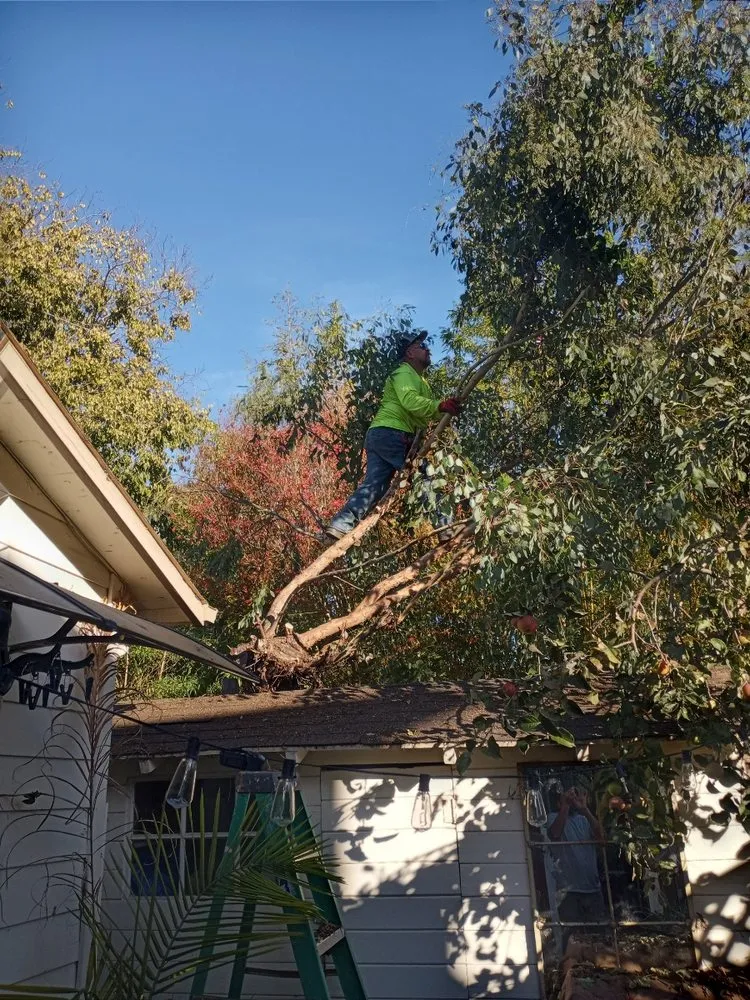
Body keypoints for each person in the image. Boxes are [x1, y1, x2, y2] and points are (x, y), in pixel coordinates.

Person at [325, 330, 461, 540]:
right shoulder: (404, 373)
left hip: (381, 434)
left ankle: (341, 524)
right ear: (409, 353)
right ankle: (445, 527)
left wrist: (440, 408)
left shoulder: (420, 380)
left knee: (375, 486)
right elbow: (410, 401)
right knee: (425, 476)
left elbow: (420, 411)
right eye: (422, 347)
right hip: (393, 433)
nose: (427, 349)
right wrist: (440, 405)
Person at [546, 786, 607, 944]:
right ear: (559, 803)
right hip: (569, 893)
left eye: (573, 799)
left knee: (600, 938)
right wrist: (565, 805)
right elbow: (555, 833)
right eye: (567, 799)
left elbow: (602, 839)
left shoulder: (584, 819)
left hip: (592, 889)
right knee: (572, 939)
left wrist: (585, 809)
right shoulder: (553, 817)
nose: (572, 801)